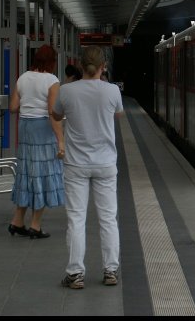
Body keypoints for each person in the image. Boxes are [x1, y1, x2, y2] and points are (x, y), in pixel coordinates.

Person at [53, 46, 123, 289]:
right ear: (103, 67)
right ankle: (110, 271)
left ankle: (75, 274)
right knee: (108, 219)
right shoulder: (113, 90)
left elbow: (55, 113)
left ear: (81, 66)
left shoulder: (66, 91)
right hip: (105, 163)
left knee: (76, 219)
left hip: (76, 164)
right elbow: (119, 114)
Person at [8, 44, 66, 239]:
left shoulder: (23, 77)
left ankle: (17, 222)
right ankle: (35, 225)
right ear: (51, 61)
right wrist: (60, 141)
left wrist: (29, 102)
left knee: (27, 172)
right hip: (42, 130)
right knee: (43, 174)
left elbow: (14, 107)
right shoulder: (52, 80)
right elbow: (52, 112)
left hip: (25, 128)